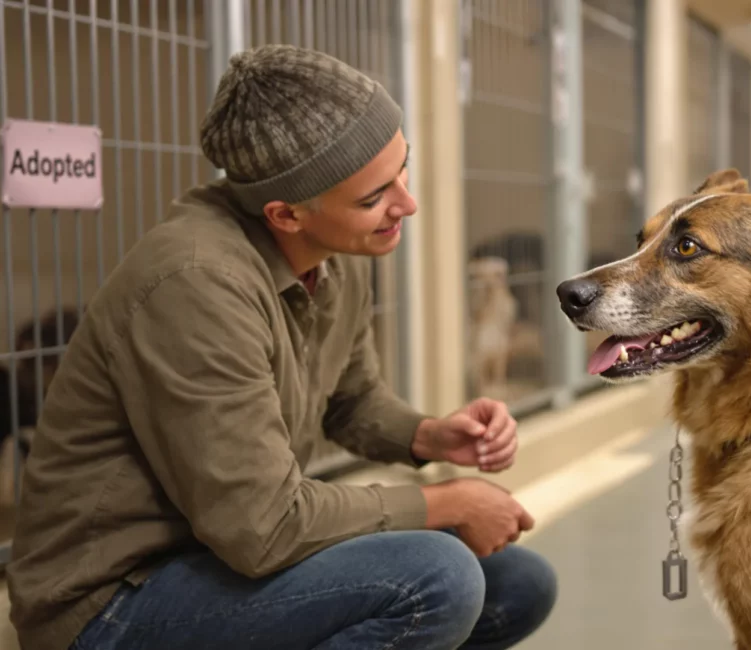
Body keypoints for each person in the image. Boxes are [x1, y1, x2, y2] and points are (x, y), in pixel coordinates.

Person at [6, 44, 557, 650]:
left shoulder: (335, 252)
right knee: (438, 577)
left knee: (515, 583)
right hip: (109, 605)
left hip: (215, 561)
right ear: (286, 215)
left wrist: (428, 436)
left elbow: (351, 400)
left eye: (404, 168)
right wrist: (448, 500)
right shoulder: (195, 282)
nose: (407, 202)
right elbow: (263, 528)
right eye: (373, 197)